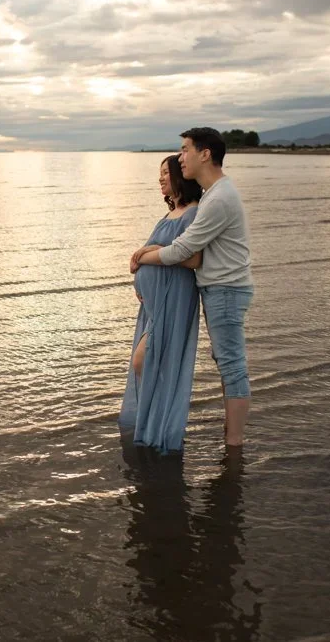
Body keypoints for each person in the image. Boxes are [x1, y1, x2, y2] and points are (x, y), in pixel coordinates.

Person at [132, 127, 254, 446]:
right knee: (226, 361)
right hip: (219, 289)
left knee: (231, 364)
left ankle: (235, 443)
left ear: (205, 154)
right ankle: (231, 436)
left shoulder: (218, 199)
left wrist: (142, 255)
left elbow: (183, 252)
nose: (180, 156)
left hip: (225, 289)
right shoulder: (214, 195)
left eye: (185, 149)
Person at [119, 154, 203, 453]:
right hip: (155, 304)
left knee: (146, 360)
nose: (160, 179)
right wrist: (142, 277)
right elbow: (152, 257)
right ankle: (153, 421)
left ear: (181, 176)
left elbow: (190, 257)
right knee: (150, 361)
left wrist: (149, 252)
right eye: (160, 174)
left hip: (174, 298)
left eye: (165, 173)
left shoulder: (193, 213)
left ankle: (162, 425)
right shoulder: (168, 215)